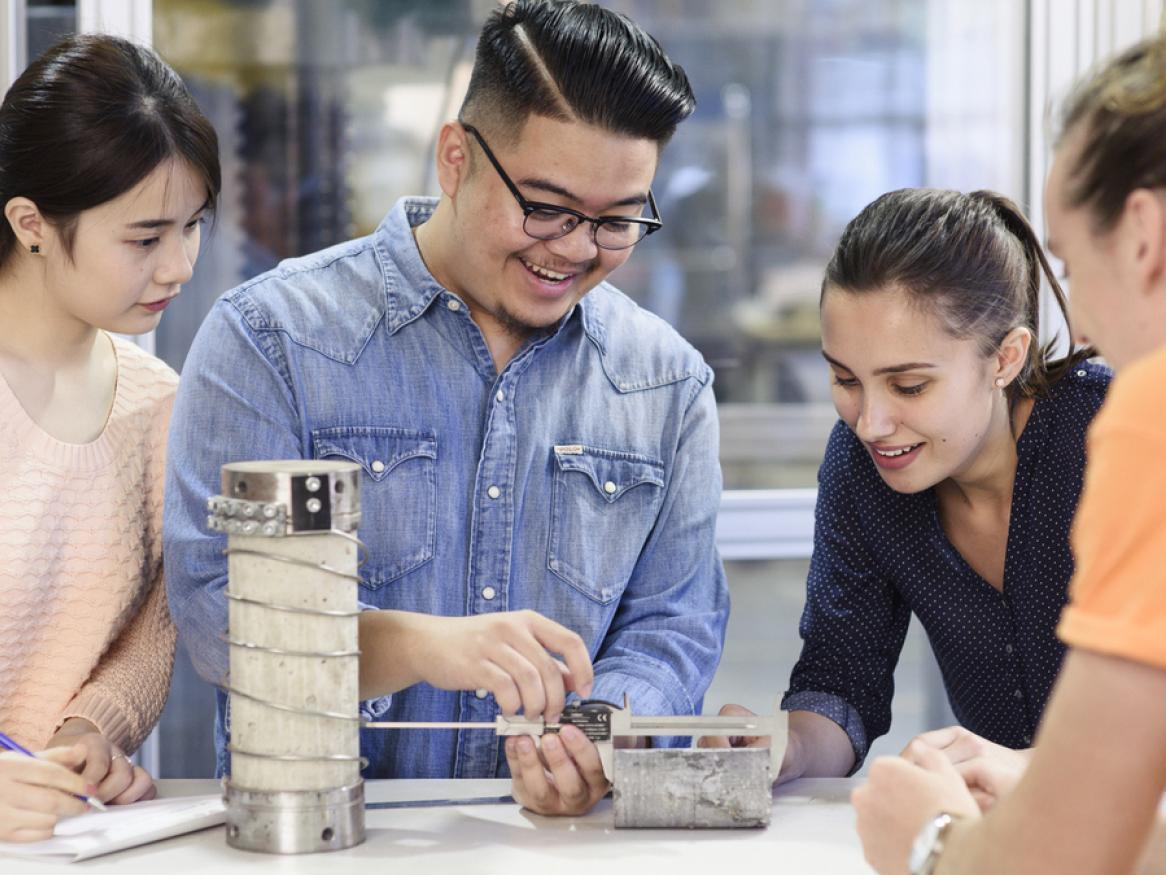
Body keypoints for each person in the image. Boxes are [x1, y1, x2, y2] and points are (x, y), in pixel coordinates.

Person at [164, 0, 728, 817]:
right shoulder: (272, 340)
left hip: (560, 845)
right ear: (456, 159)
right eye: (547, 206)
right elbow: (218, 608)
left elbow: (673, 627)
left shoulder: (665, 385)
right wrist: (423, 645)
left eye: (615, 221)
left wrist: (594, 737)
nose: (575, 247)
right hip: (324, 836)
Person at [851, 33, 1166, 874]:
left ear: (1142, 236)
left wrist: (928, 840)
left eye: (1069, 262)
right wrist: (1042, 773)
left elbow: (1062, 859)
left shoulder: (1141, 417)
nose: (1085, 327)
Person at [705, 186, 1107, 783]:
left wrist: (1031, 772)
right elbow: (840, 682)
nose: (870, 424)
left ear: (1005, 359)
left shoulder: (1111, 433)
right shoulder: (860, 468)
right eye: (844, 379)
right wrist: (783, 749)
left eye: (910, 386)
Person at [0, 34, 219, 841]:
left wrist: (90, 737)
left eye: (193, 226)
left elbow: (151, 631)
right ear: (31, 223)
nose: (179, 266)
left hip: (66, 840)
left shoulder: (160, 401)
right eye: (145, 237)